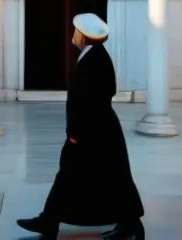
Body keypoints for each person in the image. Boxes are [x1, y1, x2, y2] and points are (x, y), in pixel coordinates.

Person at [17, 13, 145, 240]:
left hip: (93, 132)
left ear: (84, 36)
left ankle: (129, 223)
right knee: (101, 176)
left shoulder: (95, 59)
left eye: (76, 31)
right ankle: (50, 220)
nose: (73, 35)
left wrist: (76, 133)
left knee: (96, 176)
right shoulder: (93, 56)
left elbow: (90, 99)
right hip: (97, 129)